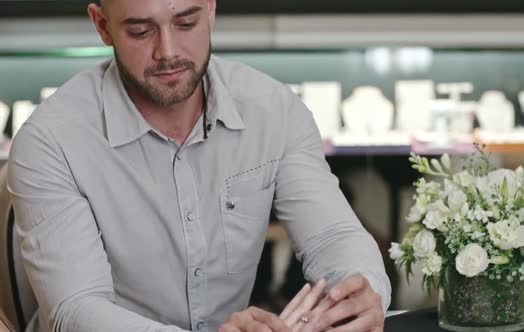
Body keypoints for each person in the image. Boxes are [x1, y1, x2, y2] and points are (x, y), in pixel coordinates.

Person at [7, 0, 391, 331]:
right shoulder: (51, 141)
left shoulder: (274, 111)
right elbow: (76, 311)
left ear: (211, 8)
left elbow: (333, 237)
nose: (167, 52)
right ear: (102, 26)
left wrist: (361, 289)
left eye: (186, 23)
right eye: (141, 32)